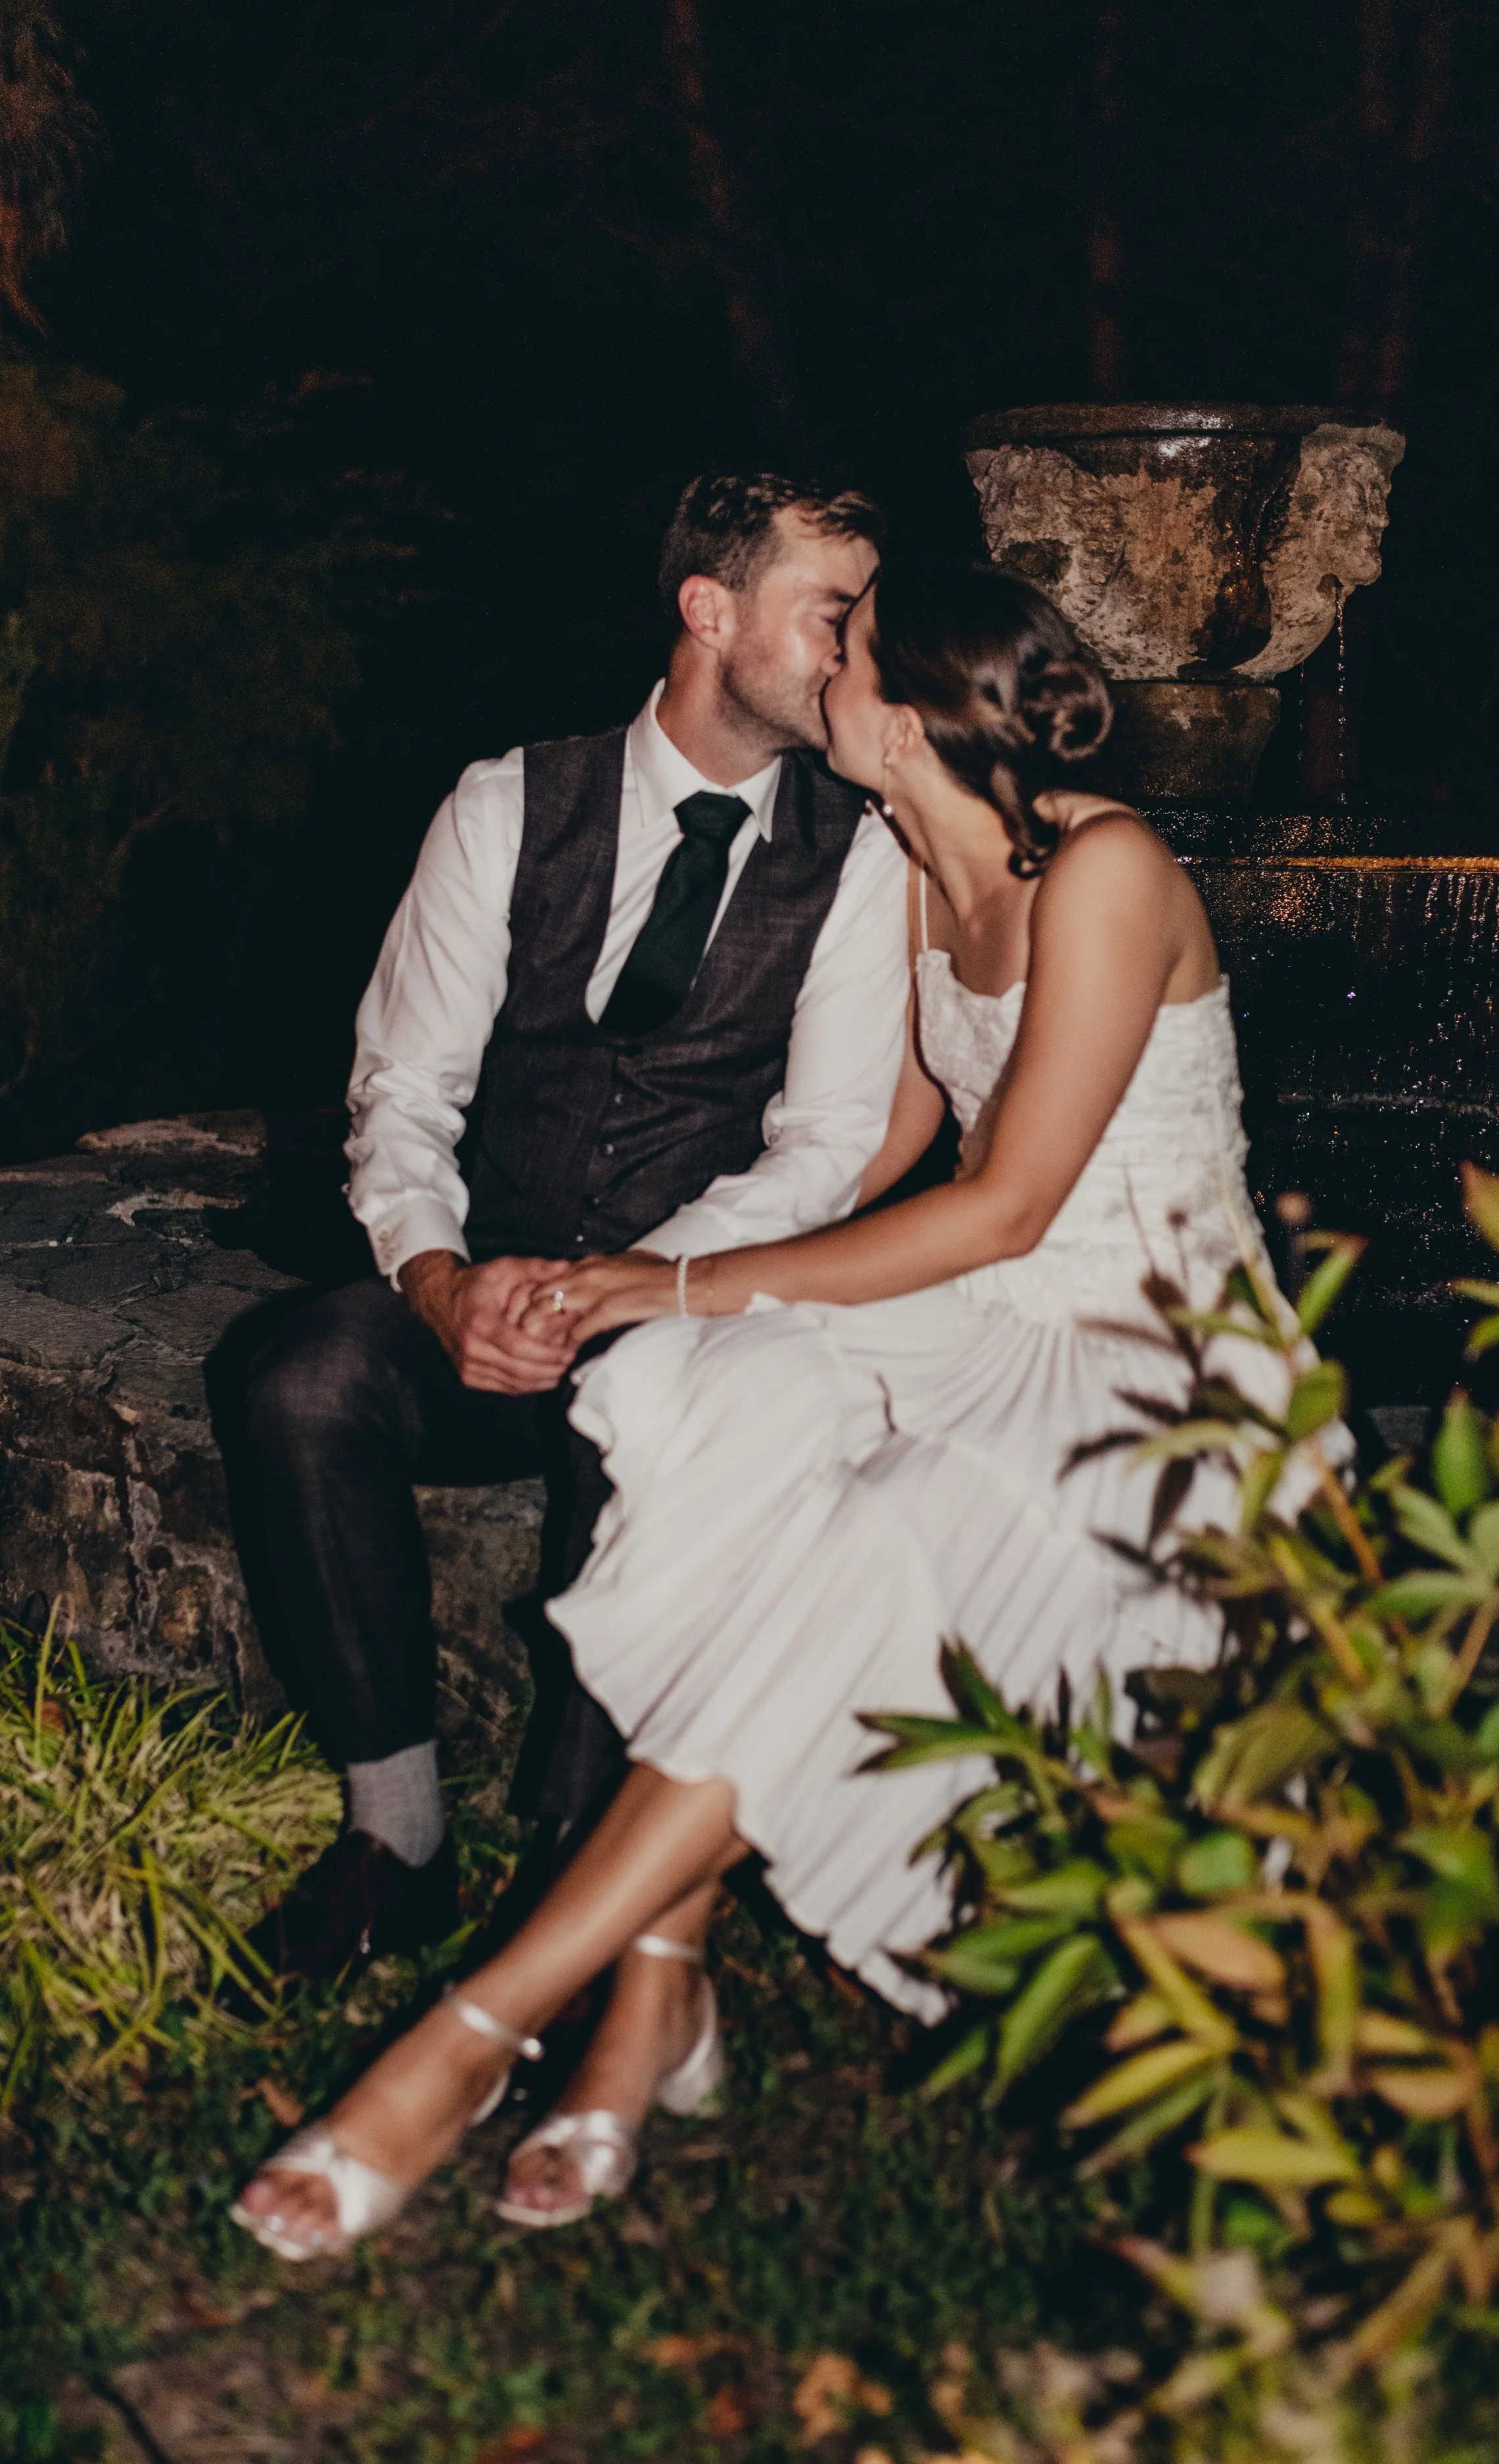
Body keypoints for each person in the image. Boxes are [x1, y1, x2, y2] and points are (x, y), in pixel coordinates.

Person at [233, 557, 1339, 2260]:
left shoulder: (1104, 867)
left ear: (893, 714)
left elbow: (1009, 1202)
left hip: (1156, 1349)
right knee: (709, 1399)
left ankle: (485, 2030)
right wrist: (648, 1295)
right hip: (985, 1307)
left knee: (870, 1524)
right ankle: (655, 1988)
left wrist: (655, 1279)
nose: (824, 662)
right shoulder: (907, 864)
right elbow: (883, 1150)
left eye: (847, 645)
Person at [231, 473, 909, 1984]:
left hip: (690, 1292)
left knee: (664, 1413)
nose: (856, 648)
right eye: (830, 613)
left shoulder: (858, 857)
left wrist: (635, 1289)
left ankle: (569, 1877)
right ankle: (395, 1840)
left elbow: (824, 1151)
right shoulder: (504, 804)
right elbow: (401, 1092)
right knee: (295, 1378)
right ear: (709, 610)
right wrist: (437, 1280)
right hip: (481, 1285)